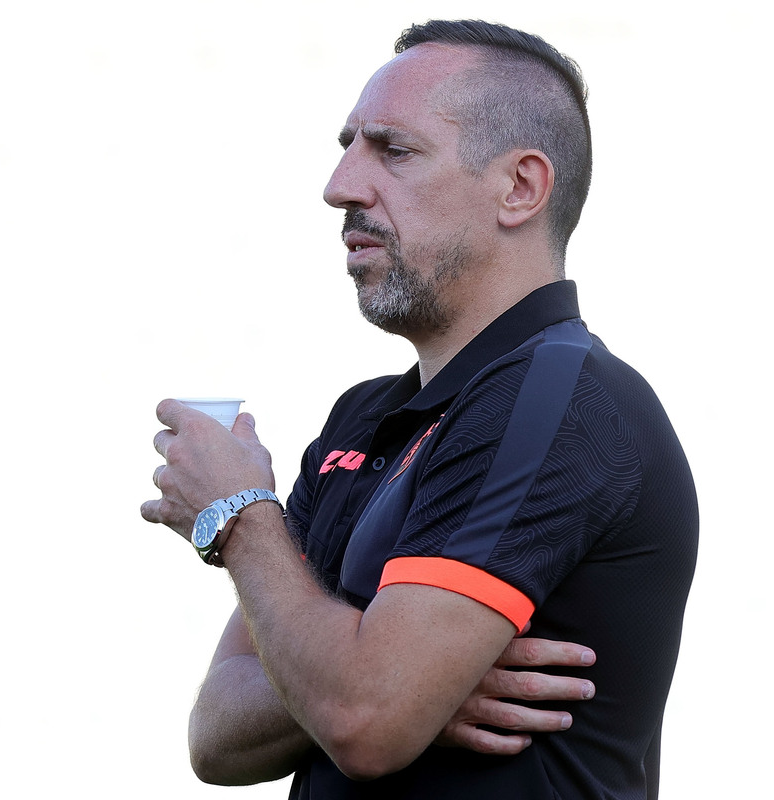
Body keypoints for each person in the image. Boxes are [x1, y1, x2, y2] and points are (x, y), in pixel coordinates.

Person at [143, 19, 698, 799]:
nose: (340, 186)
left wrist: (239, 516)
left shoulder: (560, 395)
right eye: (347, 146)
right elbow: (217, 740)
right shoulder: (361, 419)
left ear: (520, 188)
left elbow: (366, 720)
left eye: (392, 151)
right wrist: (404, 681)